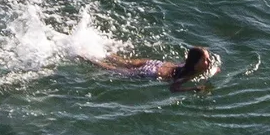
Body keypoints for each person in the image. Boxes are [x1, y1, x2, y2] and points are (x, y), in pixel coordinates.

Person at [86, 45, 220, 91]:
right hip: (153, 72)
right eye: (205, 60)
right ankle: (87, 58)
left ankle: (98, 50)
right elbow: (174, 88)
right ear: (195, 63)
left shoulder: (187, 65)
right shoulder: (189, 73)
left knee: (124, 62)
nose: (209, 61)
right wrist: (194, 88)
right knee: (113, 70)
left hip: (157, 64)